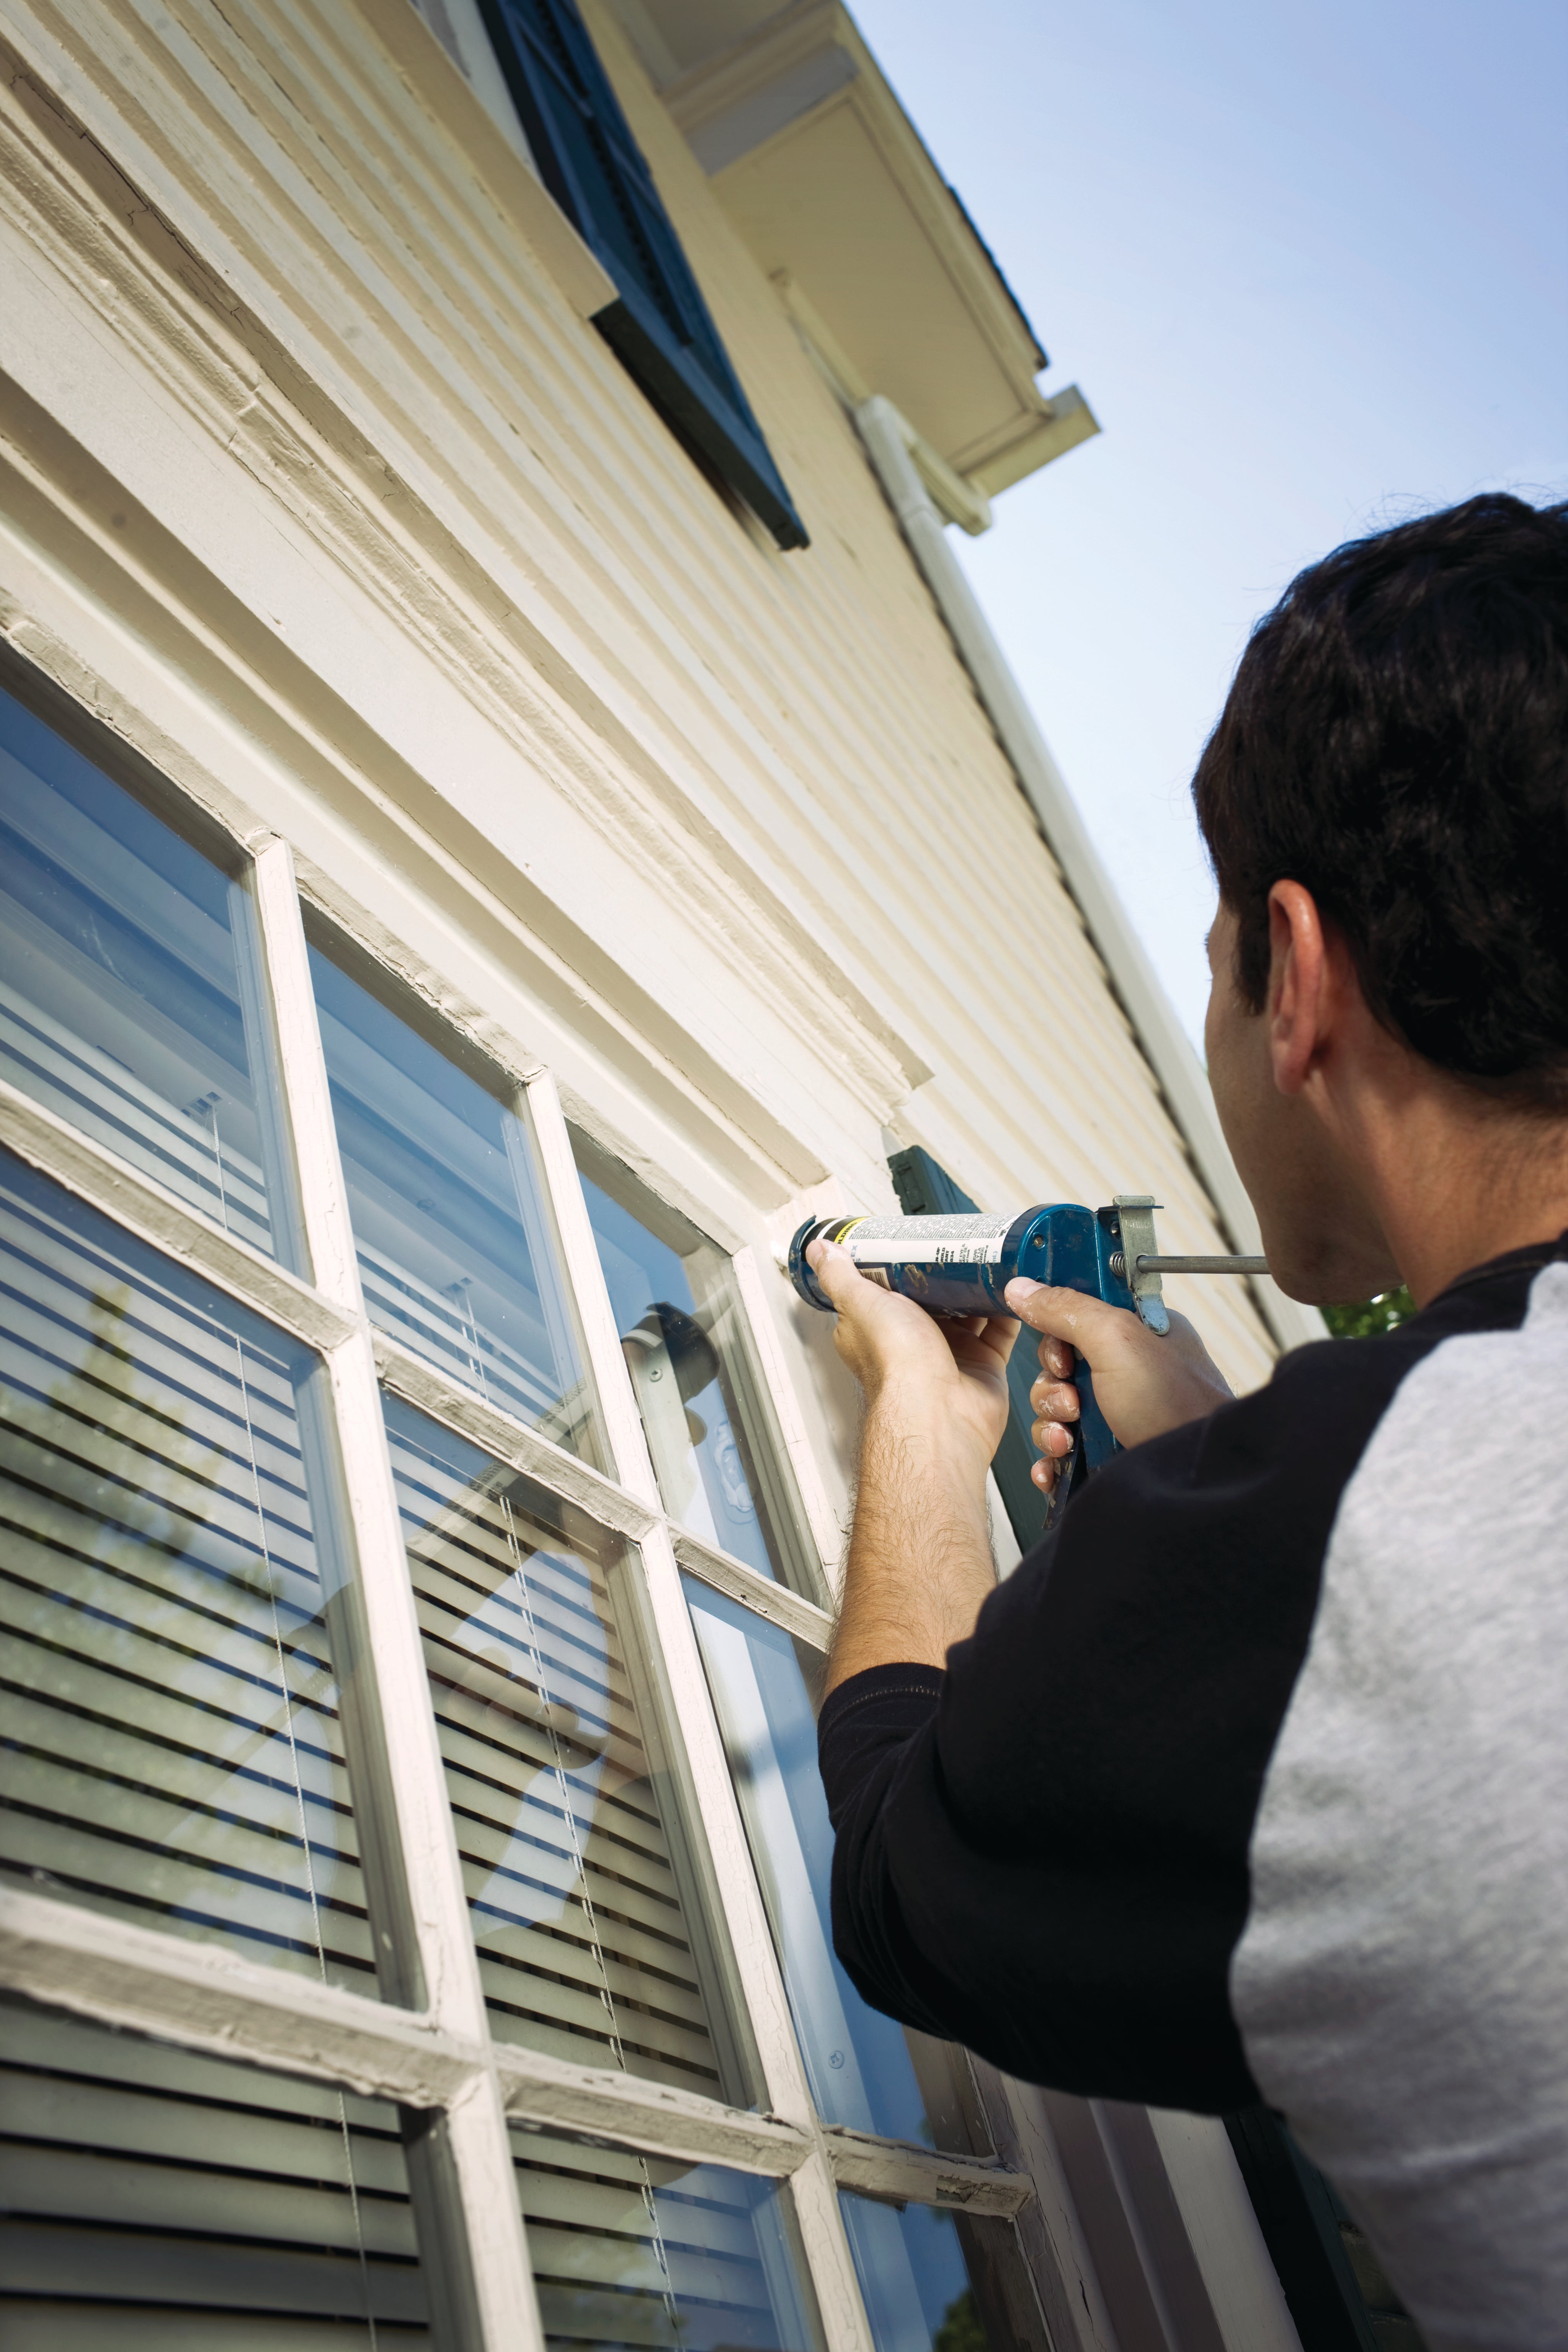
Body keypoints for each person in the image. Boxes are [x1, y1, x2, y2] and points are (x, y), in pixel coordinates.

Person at [807, 494, 1568, 2352]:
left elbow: (904, 1871)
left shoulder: (1317, 1537)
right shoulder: (1328, 1507)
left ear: (1291, 975)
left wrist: (925, 1432)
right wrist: (1243, 1473)